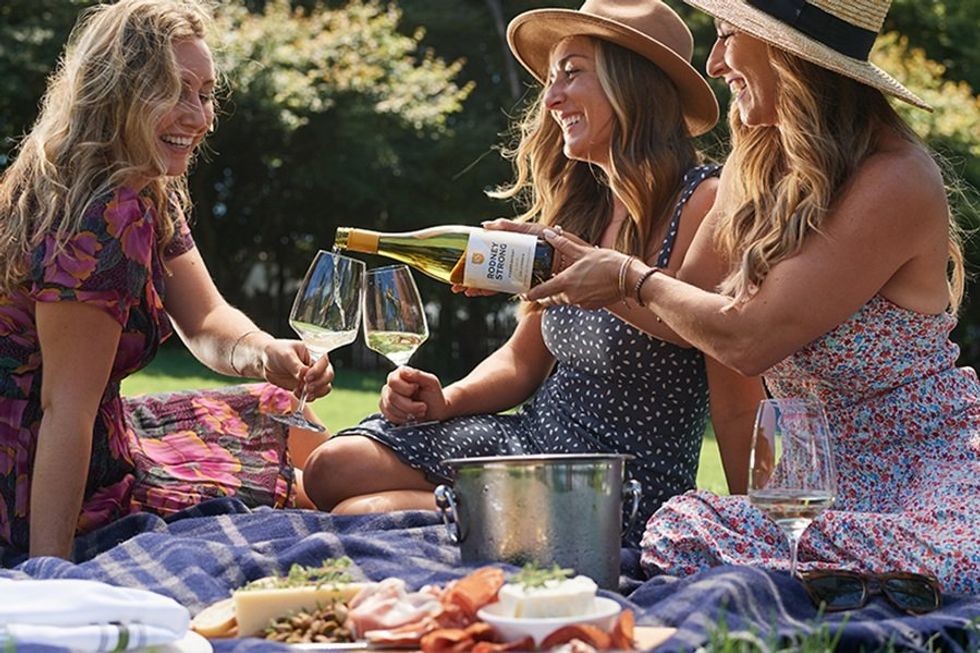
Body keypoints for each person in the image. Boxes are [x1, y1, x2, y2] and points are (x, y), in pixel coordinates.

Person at [522, 0, 980, 593]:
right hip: (817, 483)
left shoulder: (895, 178)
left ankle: (848, 580)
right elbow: (687, 313)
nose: (715, 62)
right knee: (682, 529)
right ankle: (841, 583)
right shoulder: (758, 162)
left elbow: (748, 339)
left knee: (950, 558)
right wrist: (572, 263)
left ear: (788, 52)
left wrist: (626, 277)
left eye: (728, 35)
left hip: (927, 474)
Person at [302, 0, 766, 546]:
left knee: (361, 512)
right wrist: (445, 400)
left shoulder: (705, 203)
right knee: (330, 468)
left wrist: (757, 529)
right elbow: (523, 360)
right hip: (532, 442)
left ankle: (474, 529)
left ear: (633, 85)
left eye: (572, 74)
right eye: (550, 80)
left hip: (613, 484)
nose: (551, 100)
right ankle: (470, 527)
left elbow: (735, 399)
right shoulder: (583, 211)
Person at [0, 0, 333, 561]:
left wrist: (265, 352)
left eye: (205, 94)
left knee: (285, 413)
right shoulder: (104, 213)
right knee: (318, 491)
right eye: (176, 91)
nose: (200, 117)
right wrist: (49, 572)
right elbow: (65, 409)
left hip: (97, 436)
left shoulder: (140, 185)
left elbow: (205, 320)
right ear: (119, 91)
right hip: (33, 480)